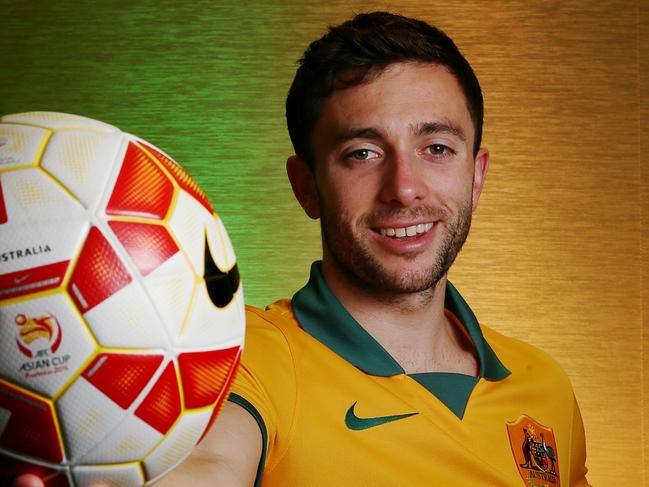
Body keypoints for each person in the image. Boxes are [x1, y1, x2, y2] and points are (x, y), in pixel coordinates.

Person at [13, 11, 589, 487]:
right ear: (306, 185)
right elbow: (209, 466)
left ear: (477, 175)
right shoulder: (235, 355)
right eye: (362, 153)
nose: (405, 187)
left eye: (436, 147)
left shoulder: (545, 385)